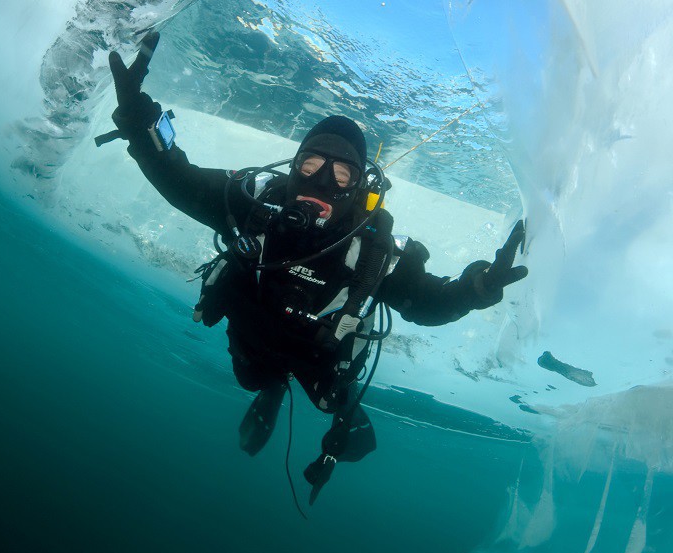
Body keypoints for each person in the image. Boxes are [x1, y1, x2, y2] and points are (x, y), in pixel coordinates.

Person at [103, 32, 528, 502]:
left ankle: (309, 400)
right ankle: (270, 392)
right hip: (254, 338)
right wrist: (138, 121)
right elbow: (178, 181)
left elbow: (427, 303)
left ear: (359, 188)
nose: (323, 182)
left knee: (335, 406)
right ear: (293, 165)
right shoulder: (255, 203)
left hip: (322, 360)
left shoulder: (372, 249)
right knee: (251, 378)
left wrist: (478, 287)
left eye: (341, 174)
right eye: (311, 165)